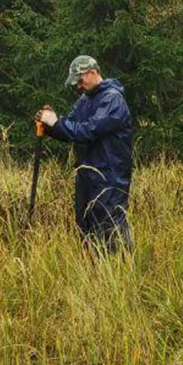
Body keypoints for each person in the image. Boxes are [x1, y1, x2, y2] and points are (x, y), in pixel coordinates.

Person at [37, 55, 134, 253]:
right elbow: (70, 130)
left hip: (110, 177)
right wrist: (49, 126)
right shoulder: (85, 99)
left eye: (80, 80)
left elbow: (88, 131)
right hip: (87, 176)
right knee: (86, 227)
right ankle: (94, 276)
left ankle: (121, 273)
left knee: (110, 228)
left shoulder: (112, 99)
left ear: (92, 72)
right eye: (76, 83)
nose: (78, 86)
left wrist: (56, 122)